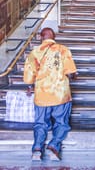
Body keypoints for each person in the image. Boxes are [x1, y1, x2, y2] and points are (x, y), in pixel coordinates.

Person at [23, 27, 77, 162]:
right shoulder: (63, 49)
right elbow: (71, 72)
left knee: (40, 123)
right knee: (61, 123)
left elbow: (29, 75)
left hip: (42, 95)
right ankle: (53, 146)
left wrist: (30, 86)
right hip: (61, 95)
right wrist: (73, 76)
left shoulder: (35, 52)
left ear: (41, 37)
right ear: (54, 37)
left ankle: (36, 150)